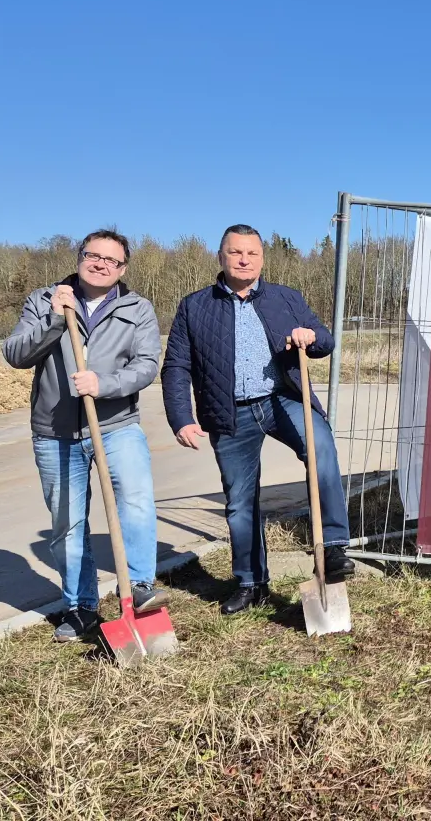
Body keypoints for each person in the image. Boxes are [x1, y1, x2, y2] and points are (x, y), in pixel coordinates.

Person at [161, 224, 354, 614]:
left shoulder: (285, 298)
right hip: (230, 413)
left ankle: (332, 548)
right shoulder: (194, 306)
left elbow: (325, 340)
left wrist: (309, 336)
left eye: (252, 253)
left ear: (262, 258)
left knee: (322, 453)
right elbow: (176, 366)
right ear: (221, 257)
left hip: (285, 399)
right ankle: (251, 583)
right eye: (235, 252)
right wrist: (180, 416)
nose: (244, 259)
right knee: (239, 501)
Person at [3, 230, 166, 642]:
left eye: (111, 260)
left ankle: (141, 588)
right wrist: (57, 320)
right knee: (67, 524)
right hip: (54, 431)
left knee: (135, 501)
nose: (100, 264)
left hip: (116, 426)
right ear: (79, 257)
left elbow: (148, 365)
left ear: (122, 268)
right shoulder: (45, 300)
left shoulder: (138, 309)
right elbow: (16, 354)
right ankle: (81, 607)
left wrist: (104, 383)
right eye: (93, 255)